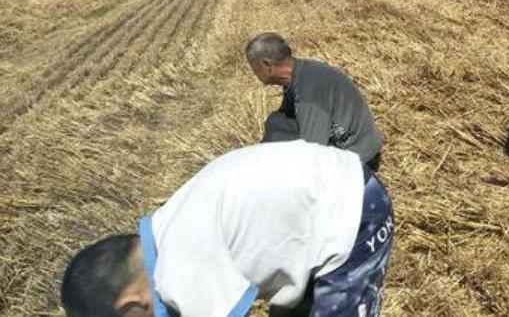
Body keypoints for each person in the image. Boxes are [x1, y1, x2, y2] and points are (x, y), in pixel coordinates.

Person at [61, 140, 394, 317]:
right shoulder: (170, 229)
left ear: (132, 304)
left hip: (352, 210)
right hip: (326, 186)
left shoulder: (181, 274)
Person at [246, 32, 384, 171]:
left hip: (357, 156)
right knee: (276, 123)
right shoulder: (299, 73)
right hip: (339, 143)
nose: (253, 72)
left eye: (253, 67)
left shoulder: (310, 88)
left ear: (266, 64)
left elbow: (313, 149)